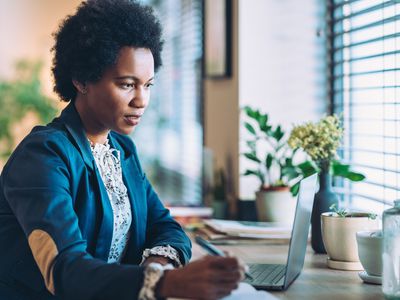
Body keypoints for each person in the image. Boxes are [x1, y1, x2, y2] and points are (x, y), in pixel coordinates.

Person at [0, 1, 245, 299]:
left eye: (148, 85)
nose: (141, 100)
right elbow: (65, 270)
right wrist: (163, 284)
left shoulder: (122, 150)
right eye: (127, 84)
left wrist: (157, 265)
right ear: (81, 79)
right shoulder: (43, 156)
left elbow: (165, 226)